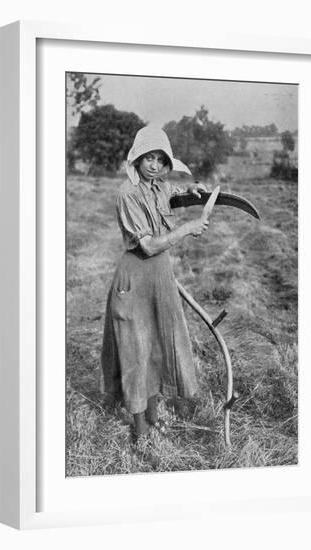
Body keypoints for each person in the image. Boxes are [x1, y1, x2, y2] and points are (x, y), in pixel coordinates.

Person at [100, 125, 209, 440]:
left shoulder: (160, 186)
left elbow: (172, 195)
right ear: (137, 159)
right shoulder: (127, 193)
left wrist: (191, 190)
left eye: (161, 160)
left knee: (158, 347)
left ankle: (153, 414)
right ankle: (140, 429)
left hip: (160, 276)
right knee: (137, 350)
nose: (155, 166)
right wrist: (187, 228)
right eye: (149, 158)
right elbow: (147, 246)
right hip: (135, 278)